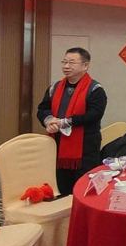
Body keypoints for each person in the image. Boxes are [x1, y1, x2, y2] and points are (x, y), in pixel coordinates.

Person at [37, 47, 107, 195]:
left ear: (85, 65)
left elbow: (94, 115)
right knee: (62, 186)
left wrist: (65, 122)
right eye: (64, 62)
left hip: (85, 148)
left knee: (84, 188)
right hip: (58, 144)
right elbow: (42, 109)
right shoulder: (55, 87)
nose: (66, 66)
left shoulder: (95, 89)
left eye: (72, 62)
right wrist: (49, 121)